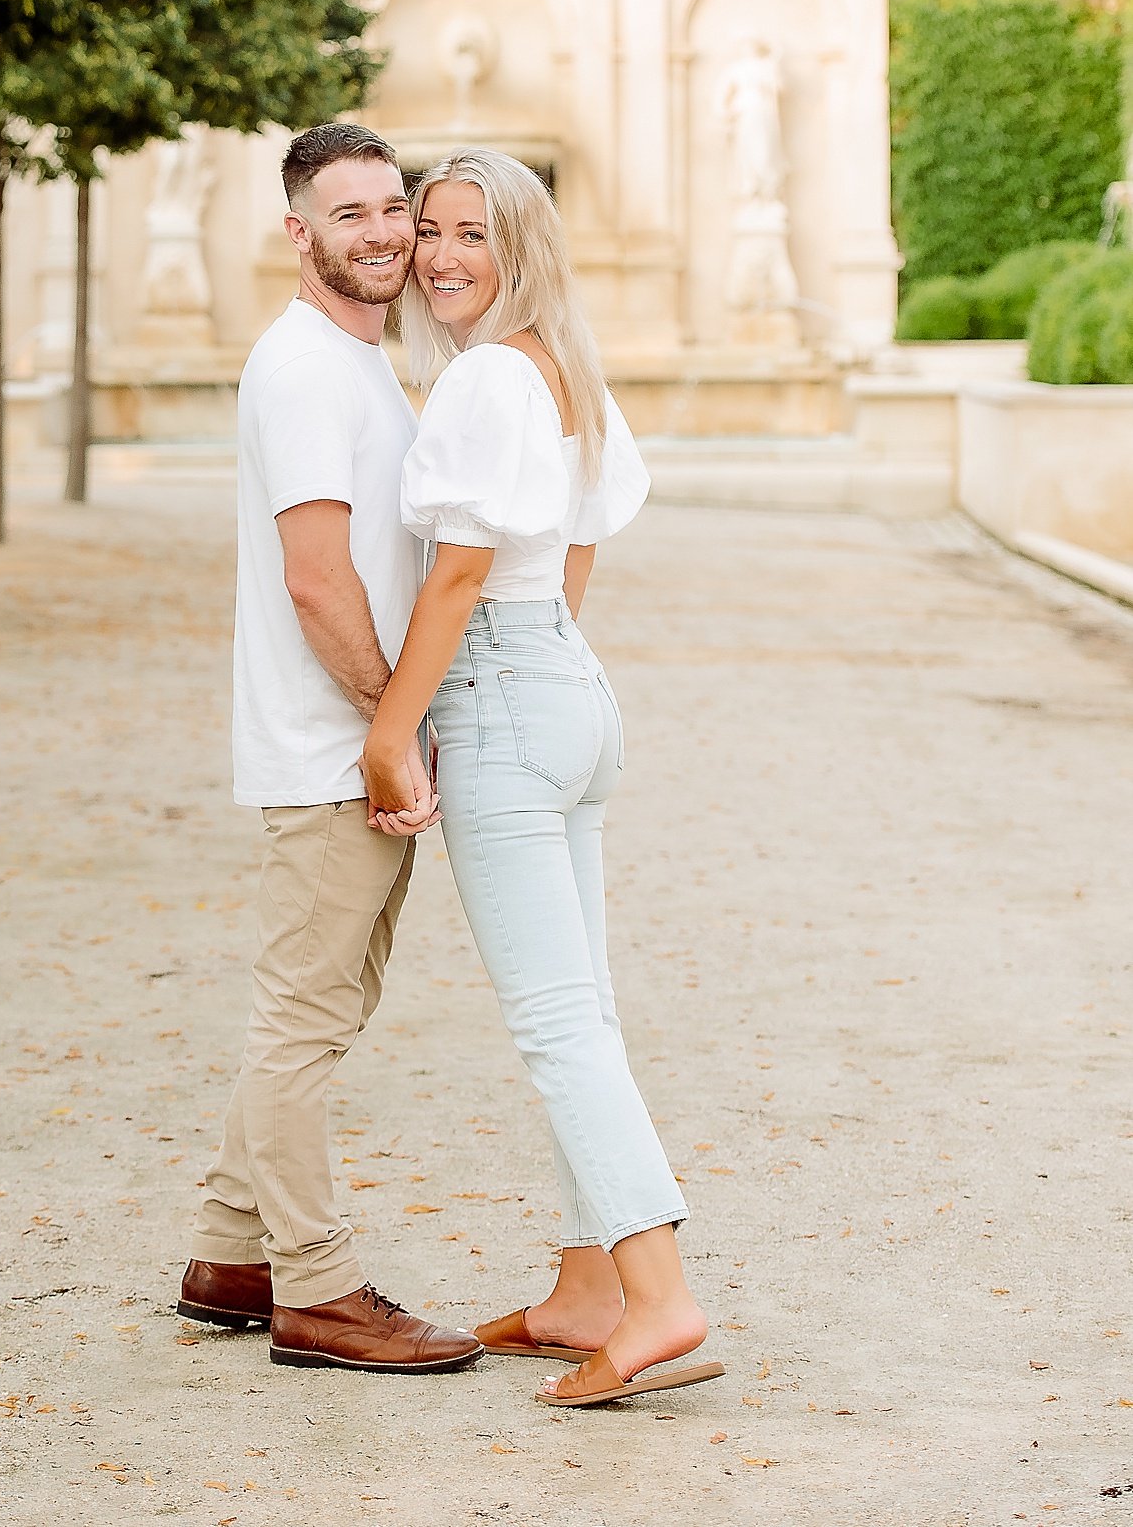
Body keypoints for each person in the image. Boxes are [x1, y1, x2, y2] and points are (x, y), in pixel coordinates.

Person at [360, 148, 723, 1410]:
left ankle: (660, 1297)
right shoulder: (562, 369)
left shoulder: (479, 383)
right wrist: (531, 658)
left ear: (523, 248)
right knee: (590, 1008)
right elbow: (569, 556)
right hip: (569, 686)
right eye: (434, 231)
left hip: (506, 695)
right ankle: (586, 1287)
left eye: (477, 234)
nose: (447, 257)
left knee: (557, 1023)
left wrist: (394, 730)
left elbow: (459, 578)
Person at [180, 121, 482, 1376]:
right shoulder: (305, 367)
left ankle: (230, 1250)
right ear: (297, 232)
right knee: (303, 1020)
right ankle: (316, 1289)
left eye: (393, 208)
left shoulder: (361, 362)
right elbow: (319, 583)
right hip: (331, 752)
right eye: (348, 214)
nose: (382, 233)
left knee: (325, 1003)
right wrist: (390, 734)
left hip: (339, 745)